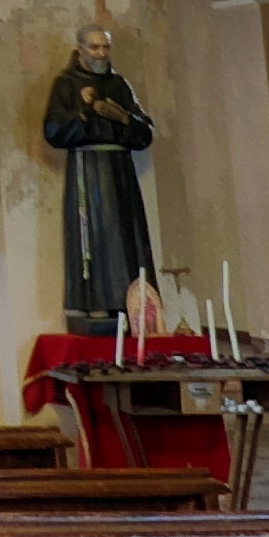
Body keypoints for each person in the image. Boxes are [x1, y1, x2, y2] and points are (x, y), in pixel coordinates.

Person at [41, 20, 159, 333]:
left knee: (125, 234)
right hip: (88, 169)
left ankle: (131, 305)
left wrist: (122, 117)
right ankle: (96, 304)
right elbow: (52, 131)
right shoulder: (66, 84)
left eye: (105, 46)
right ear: (80, 49)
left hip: (120, 171)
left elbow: (145, 132)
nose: (101, 52)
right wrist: (83, 111)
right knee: (95, 234)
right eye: (94, 46)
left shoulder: (119, 85)